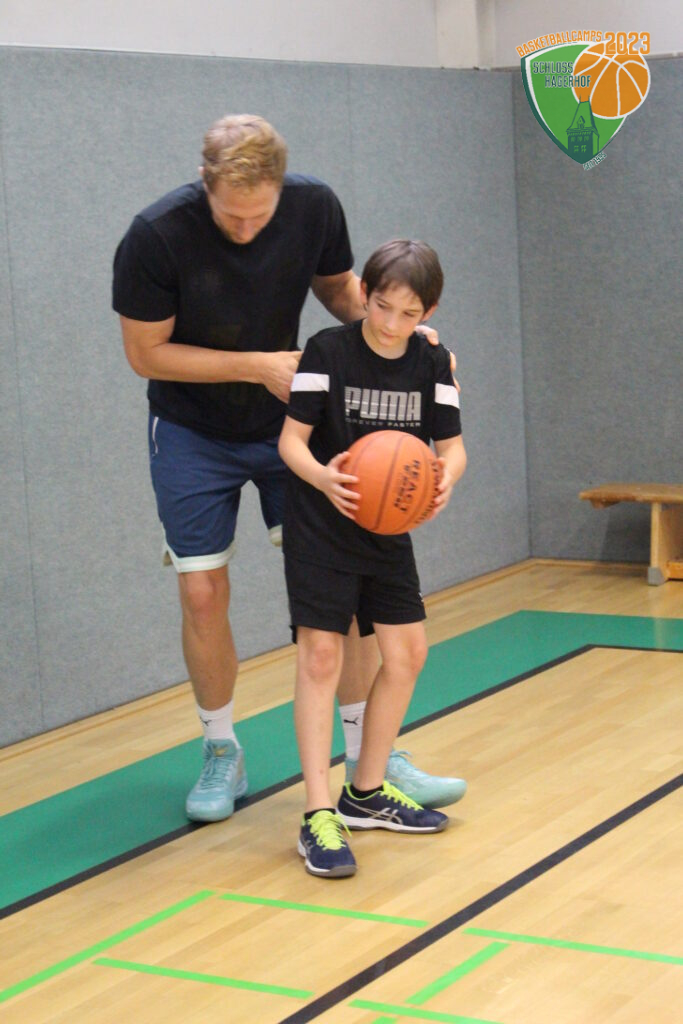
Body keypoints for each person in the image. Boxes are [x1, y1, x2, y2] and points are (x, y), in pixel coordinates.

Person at [112, 114, 466, 824]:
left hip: (297, 420)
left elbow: (340, 295)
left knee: (351, 587)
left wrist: (399, 330)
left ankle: (369, 761)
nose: (246, 230)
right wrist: (256, 366)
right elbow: (145, 355)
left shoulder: (313, 205)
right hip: (192, 429)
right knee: (203, 593)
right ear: (205, 184)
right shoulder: (155, 236)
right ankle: (221, 749)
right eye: (230, 217)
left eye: (260, 216)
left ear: (280, 188)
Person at [279, 239, 467, 877]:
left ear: (428, 311)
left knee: (407, 654)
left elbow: (452, 447)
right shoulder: (326, 352)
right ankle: (317, 812)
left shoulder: (431, 361)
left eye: (408, 314)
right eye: (382, 306)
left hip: (387, 528)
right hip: (320, 523)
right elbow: (291, 443)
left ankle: (365, 792)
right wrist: (323, 477)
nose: (390, 323)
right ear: (364, 294)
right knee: (321, 657)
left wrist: (443, 479)